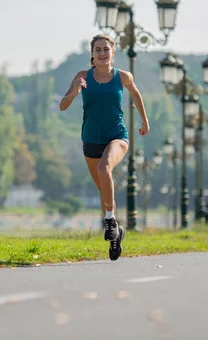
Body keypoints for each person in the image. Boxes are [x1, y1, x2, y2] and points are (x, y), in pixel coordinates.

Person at [59, 34, 150, 261]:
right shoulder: (82, 77)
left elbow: (136, 94)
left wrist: (144, 121)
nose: (102, 53)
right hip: (90, 139)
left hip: (117, 136)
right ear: (92, 53)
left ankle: (109, 221)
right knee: (103, 188)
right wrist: (75, 91)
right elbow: (62, 105)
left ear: (113, 52)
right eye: (97, 50)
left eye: (105, 49)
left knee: (104, 168)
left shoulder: (123, 77)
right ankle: (116, 233)